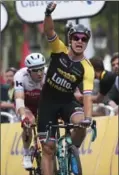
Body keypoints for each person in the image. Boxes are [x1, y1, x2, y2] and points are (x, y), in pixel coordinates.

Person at [37, 2, 94, 175]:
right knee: (48, 149)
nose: (79, 41)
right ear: (70, 39)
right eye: (76, 37)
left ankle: (72, 148)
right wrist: (48, 13)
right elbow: (49, 31)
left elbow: (87, 96)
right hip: (47, 103)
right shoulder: (59, 49)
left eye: (84, 39)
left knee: (82, 123)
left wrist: (89, 117)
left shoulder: (87, 67)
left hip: (67, 102)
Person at [14, 52, 46, 169]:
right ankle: (26, 153)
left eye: (41, 69)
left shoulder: (48, 74)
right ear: (28, 71)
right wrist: (23, 116)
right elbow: (19, 98)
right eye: (35, 70)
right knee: (29, 122)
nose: (39, 73)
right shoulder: (20, 76)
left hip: (42, 104)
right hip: (26, 105)